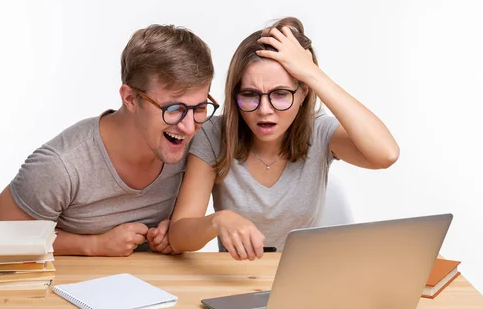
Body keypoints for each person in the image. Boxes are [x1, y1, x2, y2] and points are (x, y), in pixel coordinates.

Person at [167, 17, 400, 260]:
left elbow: (386, 154)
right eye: (250, 94)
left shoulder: (318, 131)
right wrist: (217, 221)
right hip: (237, 280)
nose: (264, 109)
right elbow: (178, 235)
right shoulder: (214, 134)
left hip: (305, 276)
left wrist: (313, 74)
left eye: (280, 94)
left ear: (304, 92)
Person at [0, 24, 219, 256]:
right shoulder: (61, 165)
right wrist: (93, 245)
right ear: (130, 98)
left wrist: (177, 232)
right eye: (173, 108)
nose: (189, 127)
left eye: (199, 107)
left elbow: (250, 118)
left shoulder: (197, 145)